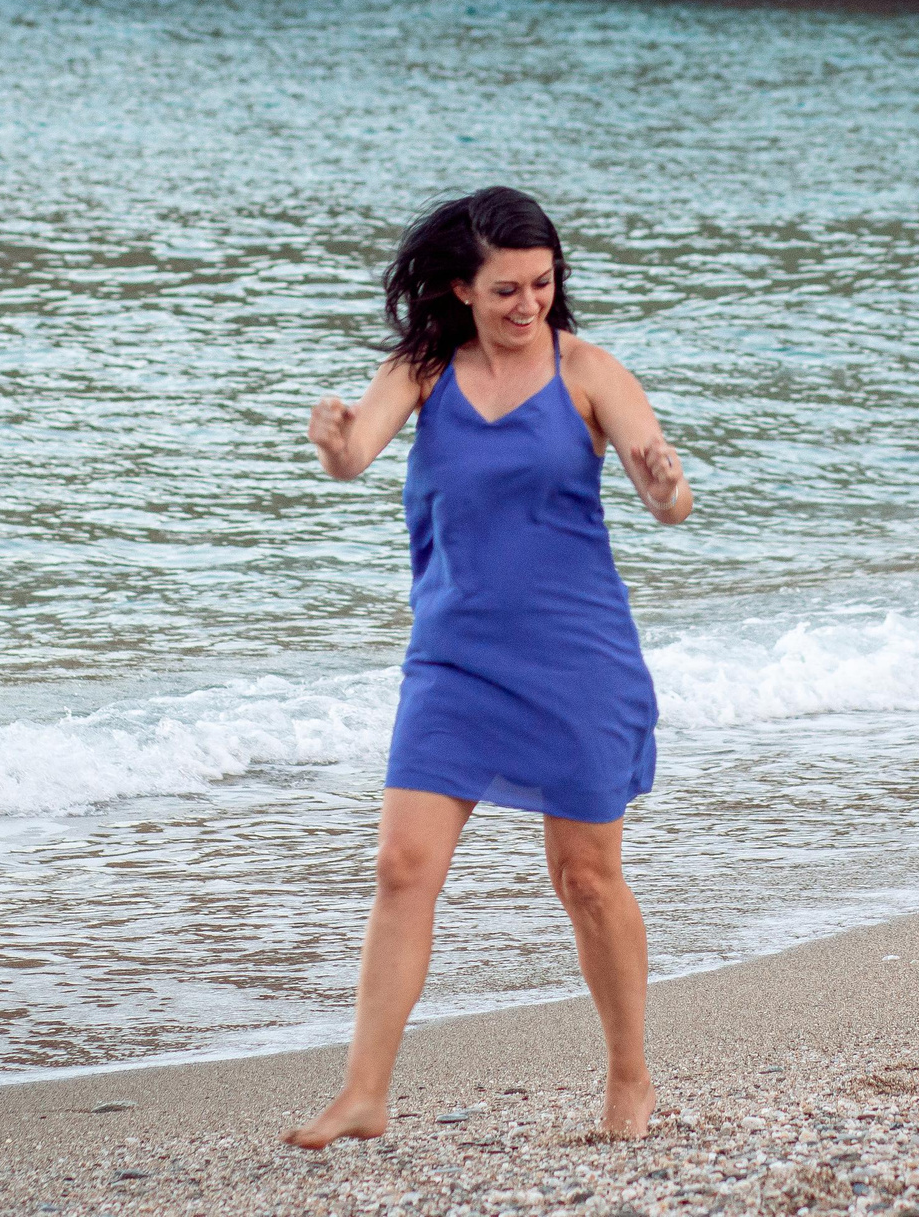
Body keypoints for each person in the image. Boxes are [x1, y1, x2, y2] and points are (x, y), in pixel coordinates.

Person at [286, 187, 691, 1149]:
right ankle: (364, 1092)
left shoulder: (588, 370)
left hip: (577, 657)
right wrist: (339, 439)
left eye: (543, 283)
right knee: (401, 864)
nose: (528, 304)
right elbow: (354, 458)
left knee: (585, 878)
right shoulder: (424, 369)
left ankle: (630, 1079)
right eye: (507, 288)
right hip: (454, 659)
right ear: (462, 287)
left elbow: (658, 486)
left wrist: (666, 485)